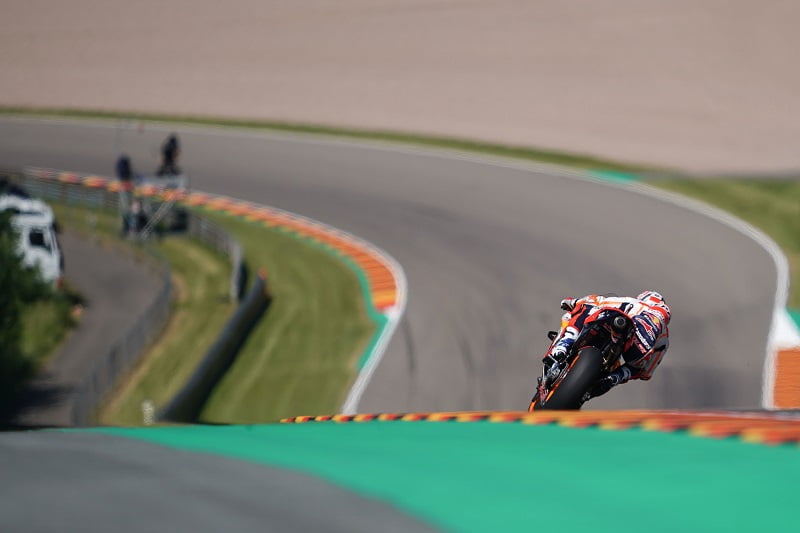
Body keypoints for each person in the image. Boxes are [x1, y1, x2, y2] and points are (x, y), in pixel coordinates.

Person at [546, 291, 671, 399]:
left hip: (618, 326)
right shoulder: (664, 337)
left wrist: (573, 302)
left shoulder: (634, 302)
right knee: (635, 368)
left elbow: (596, 301)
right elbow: (646, 373)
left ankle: (563, 345)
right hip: (636, 351)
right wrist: (621, 375)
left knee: (584, 309)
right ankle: (614, 378)